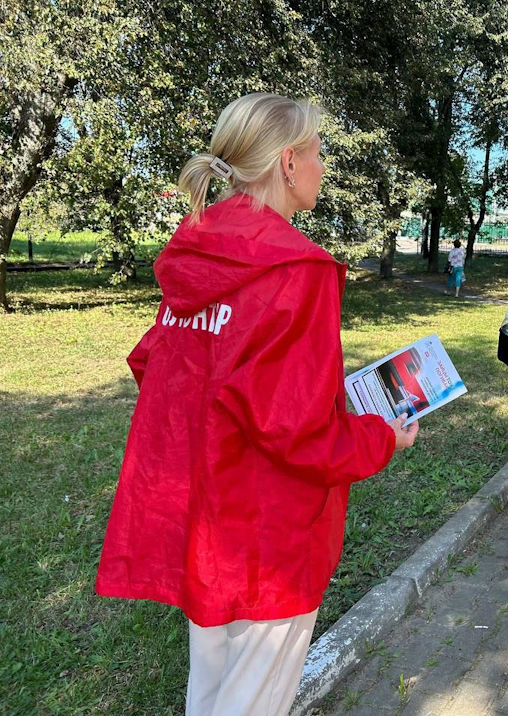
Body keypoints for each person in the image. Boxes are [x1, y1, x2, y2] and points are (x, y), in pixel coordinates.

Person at [95, 93, 419, 716]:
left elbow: (159, 367)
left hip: (208, 520)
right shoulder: (295, 268)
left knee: (211, 692)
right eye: (320, 153)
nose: (326, 167)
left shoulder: (197, 251)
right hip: (270, 536)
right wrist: (382, 437)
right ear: (290, 162)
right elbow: (294, 428)